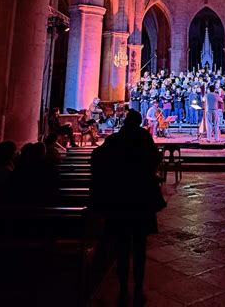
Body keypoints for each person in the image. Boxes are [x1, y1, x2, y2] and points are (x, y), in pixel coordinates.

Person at [91, 110, 164, 307]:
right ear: (139, 122)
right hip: (140, 197)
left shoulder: (115, 139)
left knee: (121, 243)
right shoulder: (143, 137)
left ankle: (122, 283)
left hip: (119, 198)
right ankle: (138, 283)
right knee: (140, 243)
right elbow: (154, 160)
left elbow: (96, 158)